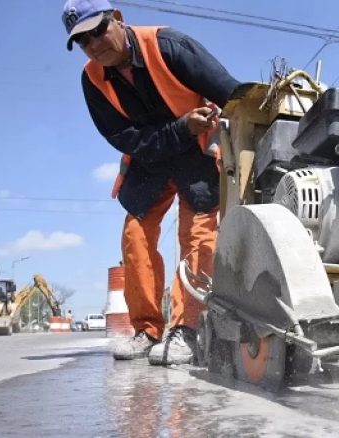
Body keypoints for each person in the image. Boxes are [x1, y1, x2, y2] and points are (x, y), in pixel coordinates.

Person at [62, 0, 239, 365]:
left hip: (197, 153)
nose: (95, 44)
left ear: (118, 19)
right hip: (149, 159)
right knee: (135, 239)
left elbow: (231, 94)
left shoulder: (169, 47)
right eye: (83, 41)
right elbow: (126, 139)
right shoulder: (92, 80)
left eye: (98, 30)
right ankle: (147, 331)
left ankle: (186, 330)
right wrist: (179, 128)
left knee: (199, 238)